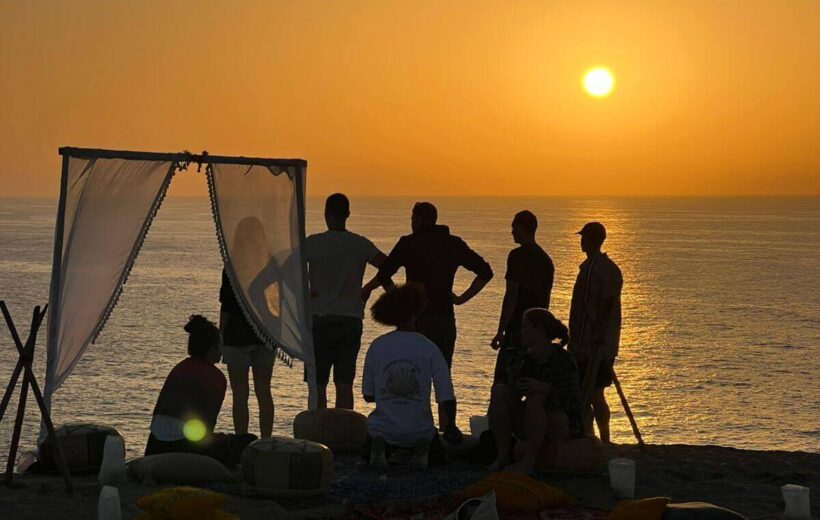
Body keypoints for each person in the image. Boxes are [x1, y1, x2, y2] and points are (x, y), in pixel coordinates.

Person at [377, 202, 493, 437]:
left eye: (412, 217)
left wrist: (402, 303)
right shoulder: (453, 244)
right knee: (443, 373)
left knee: (413, 375)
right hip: (444, 318)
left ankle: (416, 427)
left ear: (418, 219)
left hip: (416, 322)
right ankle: (447, 427)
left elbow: (383, 275)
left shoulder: (408, 243)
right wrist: (461, 299)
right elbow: (485, 272)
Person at [362, 284, 460, 469]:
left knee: (374, 436)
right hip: (420, 428)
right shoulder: (429, 347)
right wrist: (451, 426)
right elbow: (446, 394)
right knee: (439, 456)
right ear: (418, 312)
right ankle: (422, 448)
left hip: (384, 428)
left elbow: (368, 396)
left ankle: (381, 446)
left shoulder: (377, 346)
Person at [305, 193, 387, 409]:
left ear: (325, 214)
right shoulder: (360, 244)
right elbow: (387, 266)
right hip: (349, 320)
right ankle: (344, 432)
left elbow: (285, 267)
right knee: (344, 383)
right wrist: (370, 287)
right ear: (348, 214)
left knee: (318, 383)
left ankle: (318, 432)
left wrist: (303, 293)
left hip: (319, 320)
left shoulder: (313, 243)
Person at [145, 315, 256, 466]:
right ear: (211, 350)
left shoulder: (179, 368)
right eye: (220, 346)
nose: (222, 351)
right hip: (185, 448)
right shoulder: (215, 377)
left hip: (154, 446)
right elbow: (205, 426)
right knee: (248, 441)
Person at [488, 308, 582, 474]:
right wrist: (513, 376)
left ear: (538, 329)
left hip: (561, 422)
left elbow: (571, 400)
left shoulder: (563, 359)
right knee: (500, 391)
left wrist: (545, 389)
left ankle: (528, 463)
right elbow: (516, 395)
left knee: (536, 396)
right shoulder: (527, 358)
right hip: (534, 421)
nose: (521, 332)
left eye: (525, 327)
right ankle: (503, 455)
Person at [567, 222, 623, 445]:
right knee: (590, 392)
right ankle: (594, 436)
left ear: (593, 240)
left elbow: (606, 304)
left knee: (592, 392)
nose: (581, 242)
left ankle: (601, 437)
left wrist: (597, 337)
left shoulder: (597, 269)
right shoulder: (593, 267)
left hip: (593, 344)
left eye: (584, 238)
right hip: (590, 343)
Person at [491, 210, 555, 385]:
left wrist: (500, 330)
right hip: (538, 331)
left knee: (503, 381)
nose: (511, 231)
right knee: (529, 381)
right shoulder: (546, 260)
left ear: (522, 228)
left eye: (514, 227)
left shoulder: (517, 256)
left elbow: (511, 296)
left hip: (517, 329)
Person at [220, 268, 276, 438]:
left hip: (237, 336)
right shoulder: (270, 267)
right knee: (264, 391)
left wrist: (220, 334)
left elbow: (227, 305)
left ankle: (240, 439)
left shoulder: (233, 268)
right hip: (265, 334)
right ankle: (266, 439)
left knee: (240, 394)